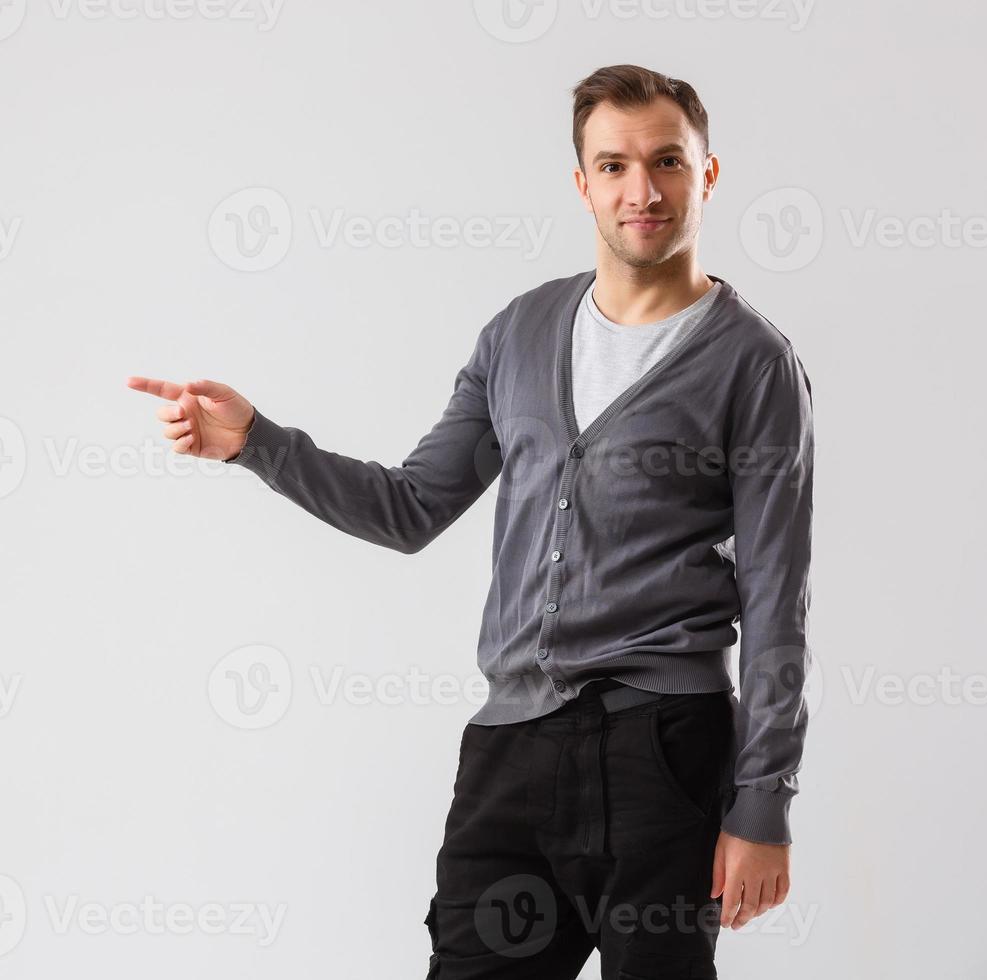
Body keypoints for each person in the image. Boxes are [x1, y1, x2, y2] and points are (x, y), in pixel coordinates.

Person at [127, 63, 813, 979]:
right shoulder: (519, 334)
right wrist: (257, 442)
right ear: (582, 184)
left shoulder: (754, 364)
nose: (641, 190)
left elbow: (777, 593)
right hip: (510, 752)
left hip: (666, 751)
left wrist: (761, 803)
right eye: (612, 166)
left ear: (708, 174)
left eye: (667, 163)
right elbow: (412, 508)